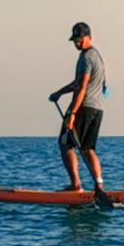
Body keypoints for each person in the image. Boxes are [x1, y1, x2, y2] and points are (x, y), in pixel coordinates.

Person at [48, 22, 106, 192]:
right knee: (88, 148)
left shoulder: (86, 57)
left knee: (65, 144)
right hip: (97, 109)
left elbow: (82, 86)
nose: (77, 44)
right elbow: (79, 83)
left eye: (80, 40)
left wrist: (72, 113)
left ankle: (76, 186)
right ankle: (99, 186)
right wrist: (60, 92)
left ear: (89, 38)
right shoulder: (97, 56)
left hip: (83, 108)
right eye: (75, 40)